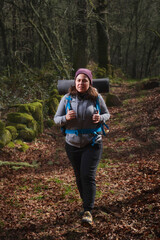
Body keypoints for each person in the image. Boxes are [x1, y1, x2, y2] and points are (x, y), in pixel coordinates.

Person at [54, 68, 110, 226]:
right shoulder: (66, 99)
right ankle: (86, 203)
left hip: (93, 142)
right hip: (72, 144)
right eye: (78, 80)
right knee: (79, 177)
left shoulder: (96, 98)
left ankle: (88, 210)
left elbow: (107, 114)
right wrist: (65, 117)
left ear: (90, 82)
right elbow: (56, 119)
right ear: (74, 82)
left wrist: (100, 117)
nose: (81, 83)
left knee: (87, 176)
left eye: (85, 80)